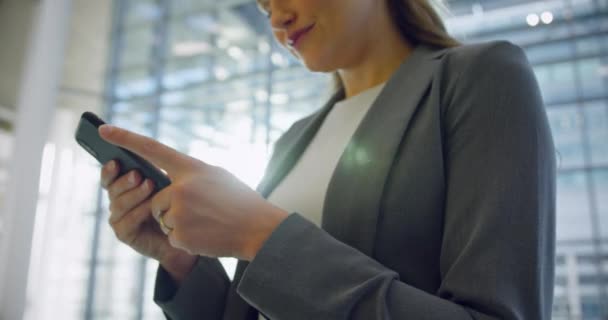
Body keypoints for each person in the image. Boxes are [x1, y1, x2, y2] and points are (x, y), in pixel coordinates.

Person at [99, 0, 556, 319]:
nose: (277, 18)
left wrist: (261, 235)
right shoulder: (293, 141)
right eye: (262, 6)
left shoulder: (481, 78)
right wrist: (181, 262)